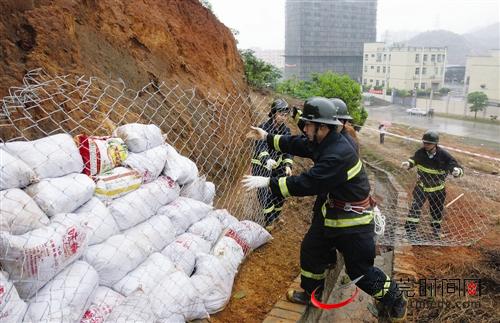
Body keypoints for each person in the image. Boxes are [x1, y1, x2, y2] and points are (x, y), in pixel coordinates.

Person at [243, 97, 407, 321]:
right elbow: (299, 144)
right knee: (311, 249)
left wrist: (269, 182)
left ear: (323, 126)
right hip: (334, 213)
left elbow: (310, 182)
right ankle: (311, 293)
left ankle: (394, 298)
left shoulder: (338, 152)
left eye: (309, 124)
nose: (305, 128)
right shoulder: (325, 141)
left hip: (354, 223)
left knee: (360, 273)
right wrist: (267, 137)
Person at [402, 130, 464, 239]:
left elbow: (454, 165)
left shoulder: (444, 155)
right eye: (424, 143)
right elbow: (414, 160)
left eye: (428, 143)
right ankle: (410, 231)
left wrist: (457, 171)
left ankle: (436, 231)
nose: (425, 145)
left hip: (438, 189)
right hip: (422, 187)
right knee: (415, 207)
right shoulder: (420, 153)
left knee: (436, 210)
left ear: (435, 144)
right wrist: (409, 163)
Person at [251, 98, 294, 231]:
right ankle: (269, 220)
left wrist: (287, 165)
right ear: (274, 113)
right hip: (261, 165)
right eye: (281, 114)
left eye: (285, 115)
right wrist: (267, 160)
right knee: (264, 193)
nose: (283, 117)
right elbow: (260, 147)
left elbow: (288, 149)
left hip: (278, 165)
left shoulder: (286, 131)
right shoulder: (263, 127)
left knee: (281, 190)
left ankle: (275, 215)